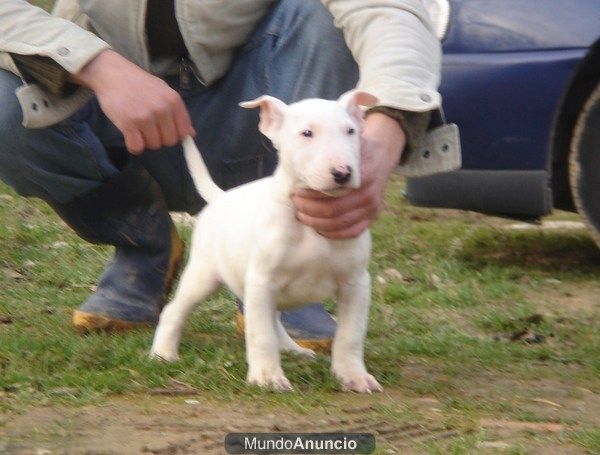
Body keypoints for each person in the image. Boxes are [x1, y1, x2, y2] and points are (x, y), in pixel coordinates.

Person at [0, 0, 458, 351]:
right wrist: (95, 65)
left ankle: (288, 262)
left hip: (255, 113)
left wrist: (387, 128)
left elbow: (391, 10)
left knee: (324, 17)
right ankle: (142, 242)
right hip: (106, 110)